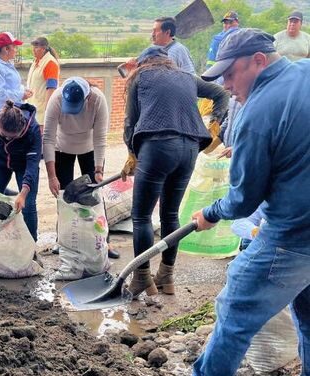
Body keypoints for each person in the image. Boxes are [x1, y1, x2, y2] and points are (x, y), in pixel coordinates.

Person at [192, 28, 310, 376]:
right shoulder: (304, 72)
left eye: (230, 73)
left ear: (259, 60)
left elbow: (243, 199)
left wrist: (211, 213)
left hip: (290, 239)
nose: (226, 84)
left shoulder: (257, 112)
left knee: (234, 314)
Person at [122, 46, 229, 297]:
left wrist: (131, 154)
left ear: (143, 62)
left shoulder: (140, 76)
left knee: (141, 217)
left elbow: (131, 122)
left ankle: (141, 278)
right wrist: (215, 123)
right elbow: (221, 94)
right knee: (170, 214)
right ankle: (166, 277)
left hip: (158, 147)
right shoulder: (185, 77)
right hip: (190, 149)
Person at [43, 76, 120, 259]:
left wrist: (99, 169)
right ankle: (63, 240)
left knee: (94, 195)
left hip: (90, 149)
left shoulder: (98, 99)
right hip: (62, 148)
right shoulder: (56, 99)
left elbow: (101, 138)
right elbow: (48, 138)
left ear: (86, 97)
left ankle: (103, 241)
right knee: (65, 196)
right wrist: (52, 176)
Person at [0, 100, 41, 241]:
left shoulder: (33, 130)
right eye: (4, 135)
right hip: (1, 162)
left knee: (28, 205)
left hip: (24, 164)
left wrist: (23, 193)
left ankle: (31, 246)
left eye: (12, 137)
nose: (7, 139)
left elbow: (32, 165)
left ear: (22, 129)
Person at [0, 32, 32, 122]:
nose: (16, 50)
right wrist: (21, 94)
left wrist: (23, 90)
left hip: (7, 116)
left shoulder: (7, 65)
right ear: (6, 49)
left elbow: (12, 87)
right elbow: (0, 94)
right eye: (14, 47)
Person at [26, 37, 60, 126]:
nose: (33, 50)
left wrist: (48, 109)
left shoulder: (50, 63)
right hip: (32, 109)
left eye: (36, 47)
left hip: (42, 113)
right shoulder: (36, 61)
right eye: (33, 47)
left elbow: (51, 88)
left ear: (44, 49)